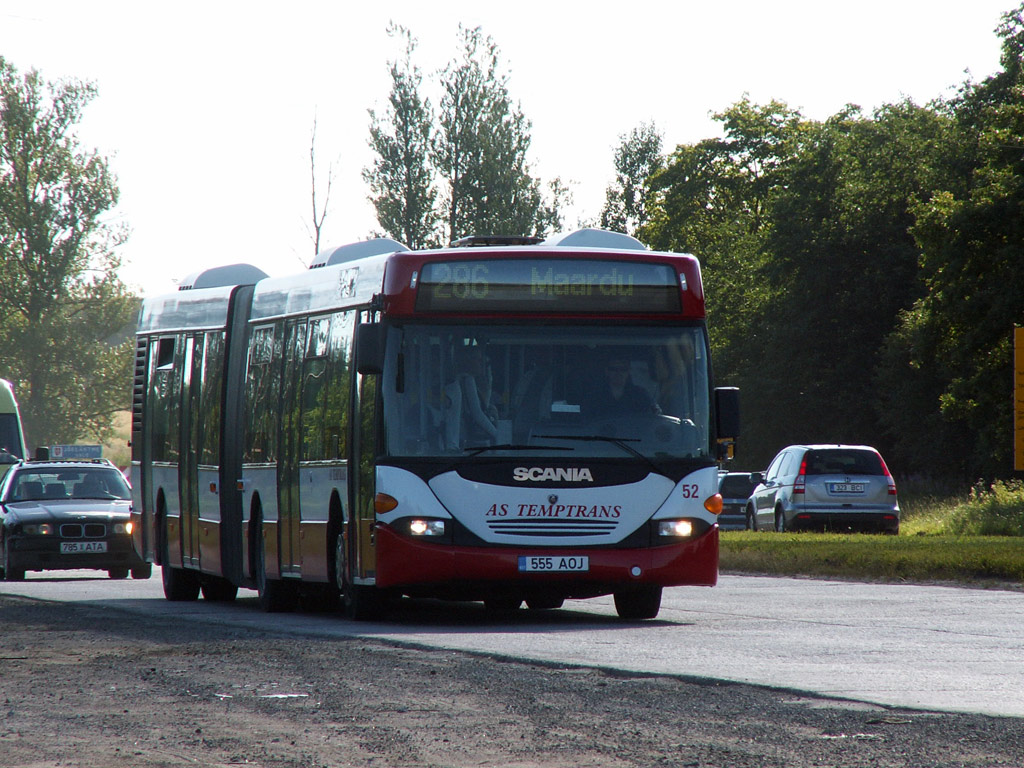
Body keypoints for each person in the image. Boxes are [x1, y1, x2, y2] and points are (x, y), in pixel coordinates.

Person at [583, 355, 660, 417]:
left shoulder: (641, 395)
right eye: (613, 369)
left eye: (623, 369)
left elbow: (655, 416)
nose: (618, 373)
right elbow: (585, 421)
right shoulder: (595, 396)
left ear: (629, 371)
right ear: (607, 371)